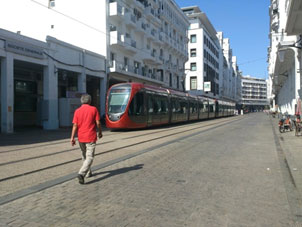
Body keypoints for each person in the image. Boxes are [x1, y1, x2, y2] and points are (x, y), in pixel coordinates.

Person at [70, 94, 103, 184]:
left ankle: (88, 173)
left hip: (81, 137)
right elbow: (98, 123)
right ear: (90, 101)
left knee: (84, 155)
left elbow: (75, 125)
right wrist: (100, 132)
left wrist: (72, 137)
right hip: (91, 136)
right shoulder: (94, 109)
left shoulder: (77, 111)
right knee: (90, 157)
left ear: (81, 101)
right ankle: (81, 173)